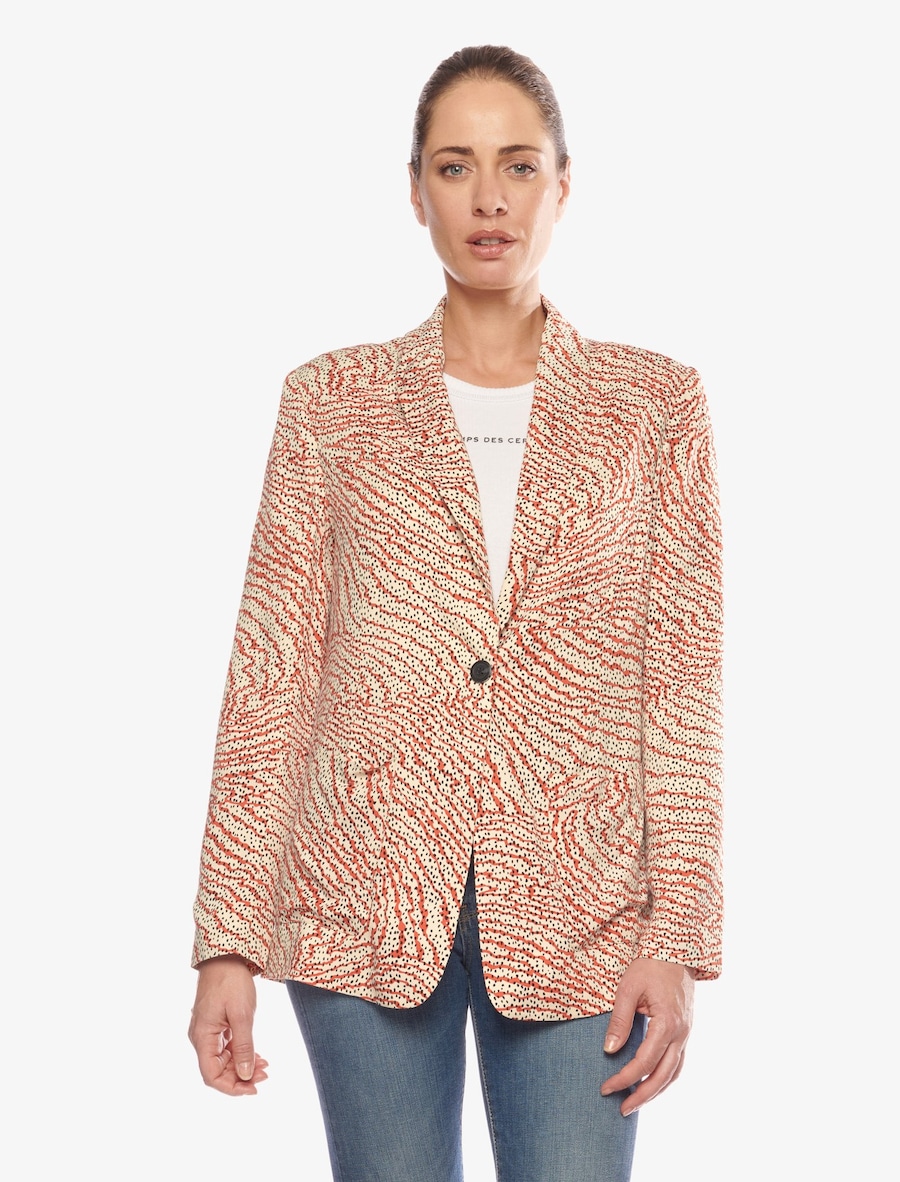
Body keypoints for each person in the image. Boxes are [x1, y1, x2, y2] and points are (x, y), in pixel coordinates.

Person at [188, 44, 723, 1182]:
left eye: (519, 165)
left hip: (584, 909)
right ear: (414, 189)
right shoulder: (330, 403)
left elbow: (681, 685)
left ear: (563, 187)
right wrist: (227, 939)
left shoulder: (655, 406)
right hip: (359, 897)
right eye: (455, 165)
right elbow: (272, 673)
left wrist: (677, 935)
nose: (489, 199)